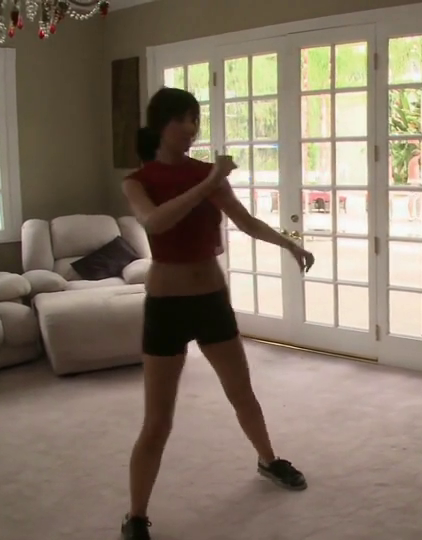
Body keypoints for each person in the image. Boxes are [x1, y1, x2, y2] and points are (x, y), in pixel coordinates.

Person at [118, 87, 316, 540]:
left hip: (211, 300)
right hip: (166, 307)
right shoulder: (138, 181)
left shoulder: (206, 173)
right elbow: (155, 222)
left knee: (241, 392)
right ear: (160, 125)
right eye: (182, 119)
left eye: (195, 119)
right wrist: (209, 183)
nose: (191, 128)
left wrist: (290, 244)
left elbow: (245, 221)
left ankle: (268, 460)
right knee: (158, 421)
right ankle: (136, 516)